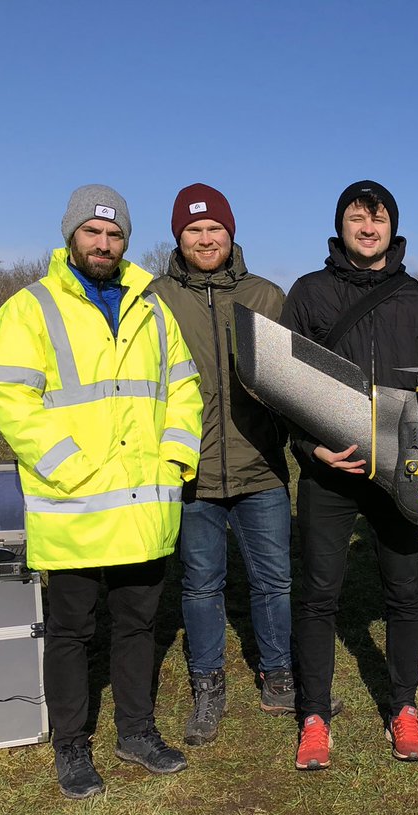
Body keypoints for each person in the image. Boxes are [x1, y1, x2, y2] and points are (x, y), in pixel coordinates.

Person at [0, 185, 202, 798]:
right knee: (72, 632)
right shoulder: (29, 308)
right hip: (74, 506)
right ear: (70, 235)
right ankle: (72, 746)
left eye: (114, 235)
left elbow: (184, 390)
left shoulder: (153, 310)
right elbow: (7, 397)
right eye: (92, 232)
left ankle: (135, 732)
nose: (103, 244)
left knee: (139, 624)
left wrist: (177, 456)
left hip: (145, 506)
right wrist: (69, 465)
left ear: (126, 240)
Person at [280, 180, 418, 769]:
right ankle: (314, 717)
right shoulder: (307, 293)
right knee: (319, 596)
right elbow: (287, 386)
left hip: (402, 472)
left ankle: (403, 708)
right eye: (357, 218)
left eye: (377, 219)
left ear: (392, 229)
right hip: (330, 470)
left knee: (404, 592)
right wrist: (311, 448)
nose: (368, 227)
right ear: (342, 227)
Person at [153, 183, 319, 746]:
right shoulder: (154, 298)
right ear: (179, 236)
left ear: (231, 235)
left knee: (274, 579)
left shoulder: (267, 297)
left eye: (215, 230)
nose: (206, 239)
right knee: (201, 585)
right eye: (194, 230)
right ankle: (208, 682)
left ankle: (277, 675)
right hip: (190, 470)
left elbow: (295, 383)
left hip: (260, 467)